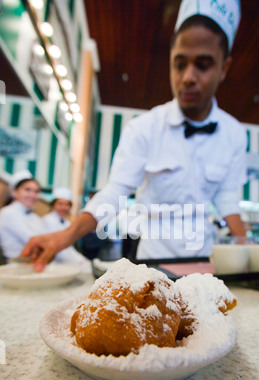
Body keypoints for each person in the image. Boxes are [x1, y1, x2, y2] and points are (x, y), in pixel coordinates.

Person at [21, 0, 247, 271]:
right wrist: (65, 236)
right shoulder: (143, 128)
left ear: (224, 68)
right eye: (179, 64)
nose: (188, 77)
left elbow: (226, 199)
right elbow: (115, 192)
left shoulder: (234, 133)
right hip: (154, 262)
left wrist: (245, 246)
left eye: (203, 64)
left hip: (205, 261)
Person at [0, 170, 47, 260]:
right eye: (27, 189)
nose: (32, 195)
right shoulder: (8, 213)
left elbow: (46, 237)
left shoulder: (34, 216)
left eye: (36, 191)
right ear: (14, 192)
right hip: (15, 267)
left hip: (33, 264)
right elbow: (34, 241)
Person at [43, 187, 92, 272]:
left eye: (67, 204)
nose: (64, 207)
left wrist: (81, 260)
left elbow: (69, 248)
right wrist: (78, 261)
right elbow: (56, 248)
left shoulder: (67, 222)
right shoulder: (46, 220)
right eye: (60, 204)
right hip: (54, 263)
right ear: (53, 204)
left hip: (68, 259)